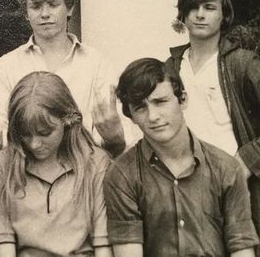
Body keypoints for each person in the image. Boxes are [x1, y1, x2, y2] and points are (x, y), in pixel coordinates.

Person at [104, 58, 258, 257]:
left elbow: (242, 250)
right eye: (140, 107)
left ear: (182, 100)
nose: (153, 116)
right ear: (130, 116)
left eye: (160, 102)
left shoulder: (226, 168)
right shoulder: (122, 175)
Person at [0, 0, 131, 159]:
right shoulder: (6, 66)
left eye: (53, 4)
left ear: (69, 8)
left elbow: (115, 133)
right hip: (25, 177)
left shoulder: (97, 63)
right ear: (26, 12)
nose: (44, 14)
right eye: (36, 6)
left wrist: (115, 137)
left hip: (84, 174)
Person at [166, 0, 260, 242]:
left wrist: (247, 161)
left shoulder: (243, 63)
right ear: (182, 15)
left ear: (224, 15)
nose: (200, 15)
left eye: (209, 7)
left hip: (239, 186)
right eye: (193, 8)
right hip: (187, 185)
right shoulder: (171, 67)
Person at [0, 71, 112, 257]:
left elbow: (103, 246)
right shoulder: (0, 167)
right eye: (25, 134)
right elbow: (3, 245)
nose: (34, 144)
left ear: (68, 120)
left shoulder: (96, 162)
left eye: (45, 133)